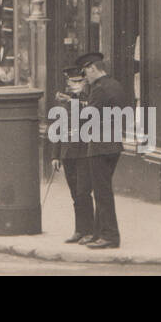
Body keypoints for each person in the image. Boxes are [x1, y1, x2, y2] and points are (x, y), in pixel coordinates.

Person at [78, 52, 131, 249]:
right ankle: (98, 233)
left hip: (99, 145)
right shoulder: (116, 85)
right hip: (113, 144)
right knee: (103, 188)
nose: (85, 77)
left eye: (86, 73)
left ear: (93, 68)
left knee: (102, 192)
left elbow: (88, 116)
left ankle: (109, 235)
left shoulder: (98, 89)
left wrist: (77, 105)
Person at [52, 62, 95, 244]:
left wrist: (74, 101)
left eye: (79, 81)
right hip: (68, 152)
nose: (75, 85)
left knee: (83, 191)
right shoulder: (64, 102)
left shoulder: (90, 99)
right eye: (72, 82)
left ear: (85, 81)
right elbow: (57, 128)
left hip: (85, 152)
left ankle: (90, 231)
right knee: (75, 194)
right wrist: (55, 155)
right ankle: (79, 230)